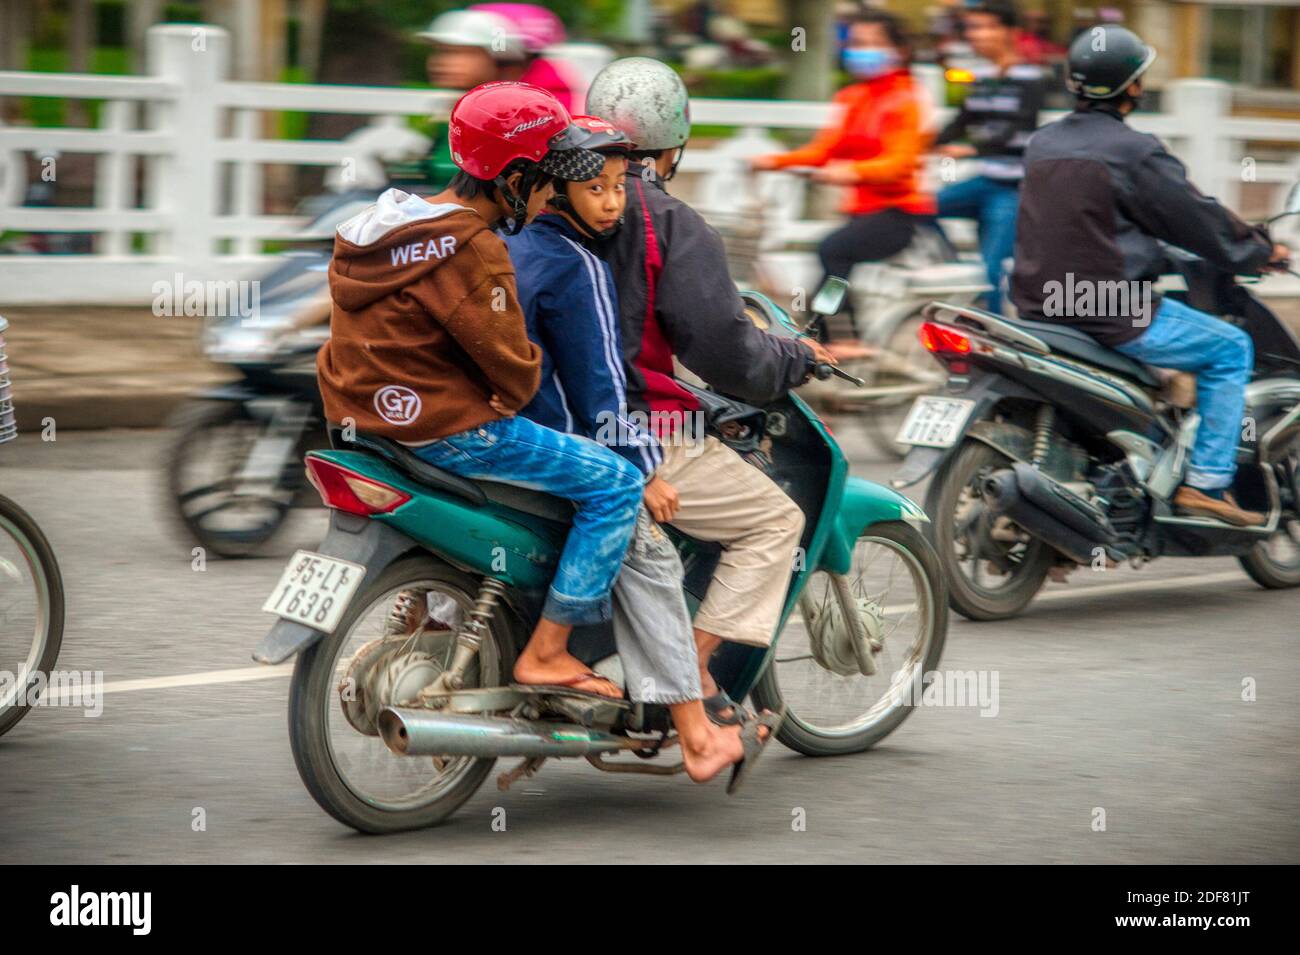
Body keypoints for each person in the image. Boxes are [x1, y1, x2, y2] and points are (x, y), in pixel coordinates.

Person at [316, 82, 643, 696]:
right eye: (545, 179)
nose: (550, 193)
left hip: (360, 423)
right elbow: (515, 373)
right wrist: (513, 380)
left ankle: (425, 612)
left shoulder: (374, 227)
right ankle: (547, 652)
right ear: (514, 178)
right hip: (449, 432)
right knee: (618, 483)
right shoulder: (476, 251)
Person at [504, 116, 773, 783]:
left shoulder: (505, 245)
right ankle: (697, 733)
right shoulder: (579, 265)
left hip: (505, 430)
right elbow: (602, 393)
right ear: (555, 192)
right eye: (596, 188)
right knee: (649, 555)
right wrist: (643, 471)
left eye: (620, 186)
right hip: (565, 444)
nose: (614, 202)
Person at [586, 57, 836, 723]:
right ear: (673, 145)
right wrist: (793, 359)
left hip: (547, 413)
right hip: (634, 426)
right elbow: (726, 353)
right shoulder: (668, 221)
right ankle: (687, 673)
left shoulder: (548, 202)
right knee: (776, 519)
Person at [1009, 25, 1290, 527]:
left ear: (1074, 83)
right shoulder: (1134, 152)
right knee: (1230, 348)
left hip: (1038, 302)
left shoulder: (1042, 143)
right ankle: (1205, 483)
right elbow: (1194, 216)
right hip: (1109, 308)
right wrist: (1256, 251)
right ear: (1133, 86)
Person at [751, 9, 934, 353]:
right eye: (855, 43)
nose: (859, 50)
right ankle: (827, 336)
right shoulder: (853, 97)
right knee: (832, 263)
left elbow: (900, 162)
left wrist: (853, 171)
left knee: (832, 251)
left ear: (899, 50)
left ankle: (843, 336)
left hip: (897, 215)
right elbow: (824, 149)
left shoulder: (907, 98)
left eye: (870, 43)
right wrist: (774, 161)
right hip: (862, 214)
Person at [933, 0, 1046, 313]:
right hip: (984, 181)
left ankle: (992, 338)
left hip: (1012, 189)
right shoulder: (979, 76)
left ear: (1011, 32)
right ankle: (951, 267)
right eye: (972, 28)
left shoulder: (1031, 78)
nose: (977, 35)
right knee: (919, 207)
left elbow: (1018, 127)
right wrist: (923, 143)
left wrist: (971, 150)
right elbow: (962, 121)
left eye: (986, 27)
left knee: (991, 270)